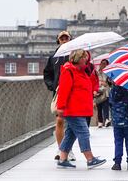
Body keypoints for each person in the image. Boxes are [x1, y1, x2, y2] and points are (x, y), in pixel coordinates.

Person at [55, 49, 107, 169]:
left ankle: (62, 159)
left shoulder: (83, 71)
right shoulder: (69, 71)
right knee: (84, 132)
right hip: (73, 109)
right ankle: (90, 159)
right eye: (84, 57)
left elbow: (89, 83)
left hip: (80, 108)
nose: (86, 59)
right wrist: (61, 107)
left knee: (71, 134)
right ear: (78, 59)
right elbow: (63, 91)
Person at [43, 30, 73, 161]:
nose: (64, 40)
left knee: (72, 123)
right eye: (62, 38)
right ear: (58, 41)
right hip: (59, 92)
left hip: (73, 93)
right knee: (60, 120)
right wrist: (53, 86)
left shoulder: (75, 55)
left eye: (67, 38)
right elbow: (47, 74)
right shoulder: (53, 57)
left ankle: (68, 149)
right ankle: (61, 148)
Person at [108, 83, 128, 171]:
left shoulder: (113, 90)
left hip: (117, 121)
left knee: (118, 142)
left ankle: (117, 163)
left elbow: (110, 103)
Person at [95, 59, 110, 128]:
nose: (103, 65)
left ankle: (106, 119)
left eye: (105, 64)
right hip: (98, 91)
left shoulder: (109, 73)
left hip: (106, 92)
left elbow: (111, 83)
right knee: (99, 107)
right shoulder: (96, 72)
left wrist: (107, 83)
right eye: (102, 63)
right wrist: (100, 83)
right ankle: (100, 121)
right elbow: (94, 81)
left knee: (106, 106)